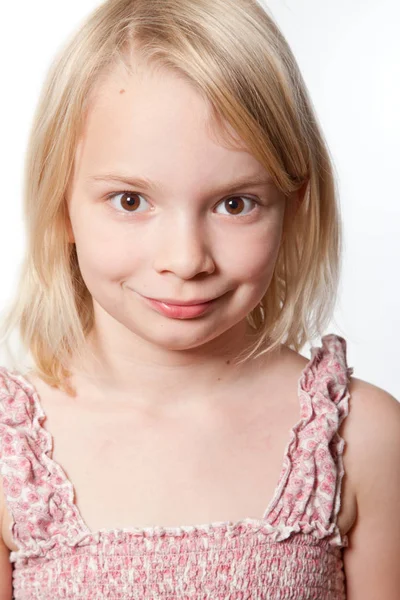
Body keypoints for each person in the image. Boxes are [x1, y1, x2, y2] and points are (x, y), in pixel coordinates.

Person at [0, 0, 399, 598]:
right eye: (131, 200)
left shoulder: (360, 439)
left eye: (235, 203)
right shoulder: (11, 457)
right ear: (61, 204)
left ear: (293, 205)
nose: (186, 260)